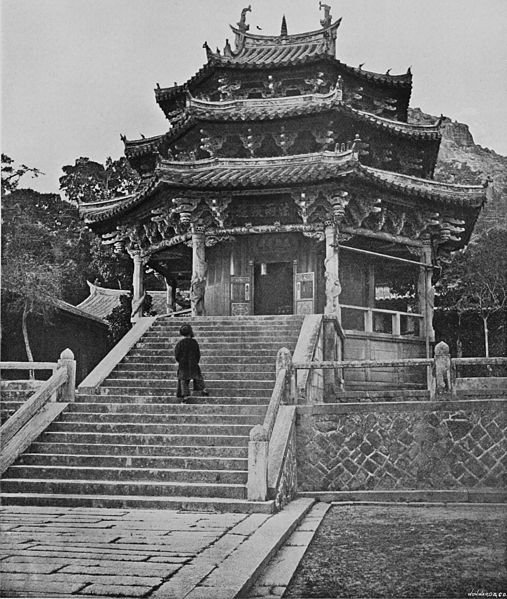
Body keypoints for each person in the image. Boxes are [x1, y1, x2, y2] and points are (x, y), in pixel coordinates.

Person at [174, 324, 209, 401]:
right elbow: (198, 354)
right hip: (193, 363)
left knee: (183, 380)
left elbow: (177, 355)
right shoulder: (194, 342)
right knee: (198, 377)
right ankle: (203, 389)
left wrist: (180, 361)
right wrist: (196, 361)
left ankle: (185, 395)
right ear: (191, 332)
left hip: (183, 364)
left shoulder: (180, 343)